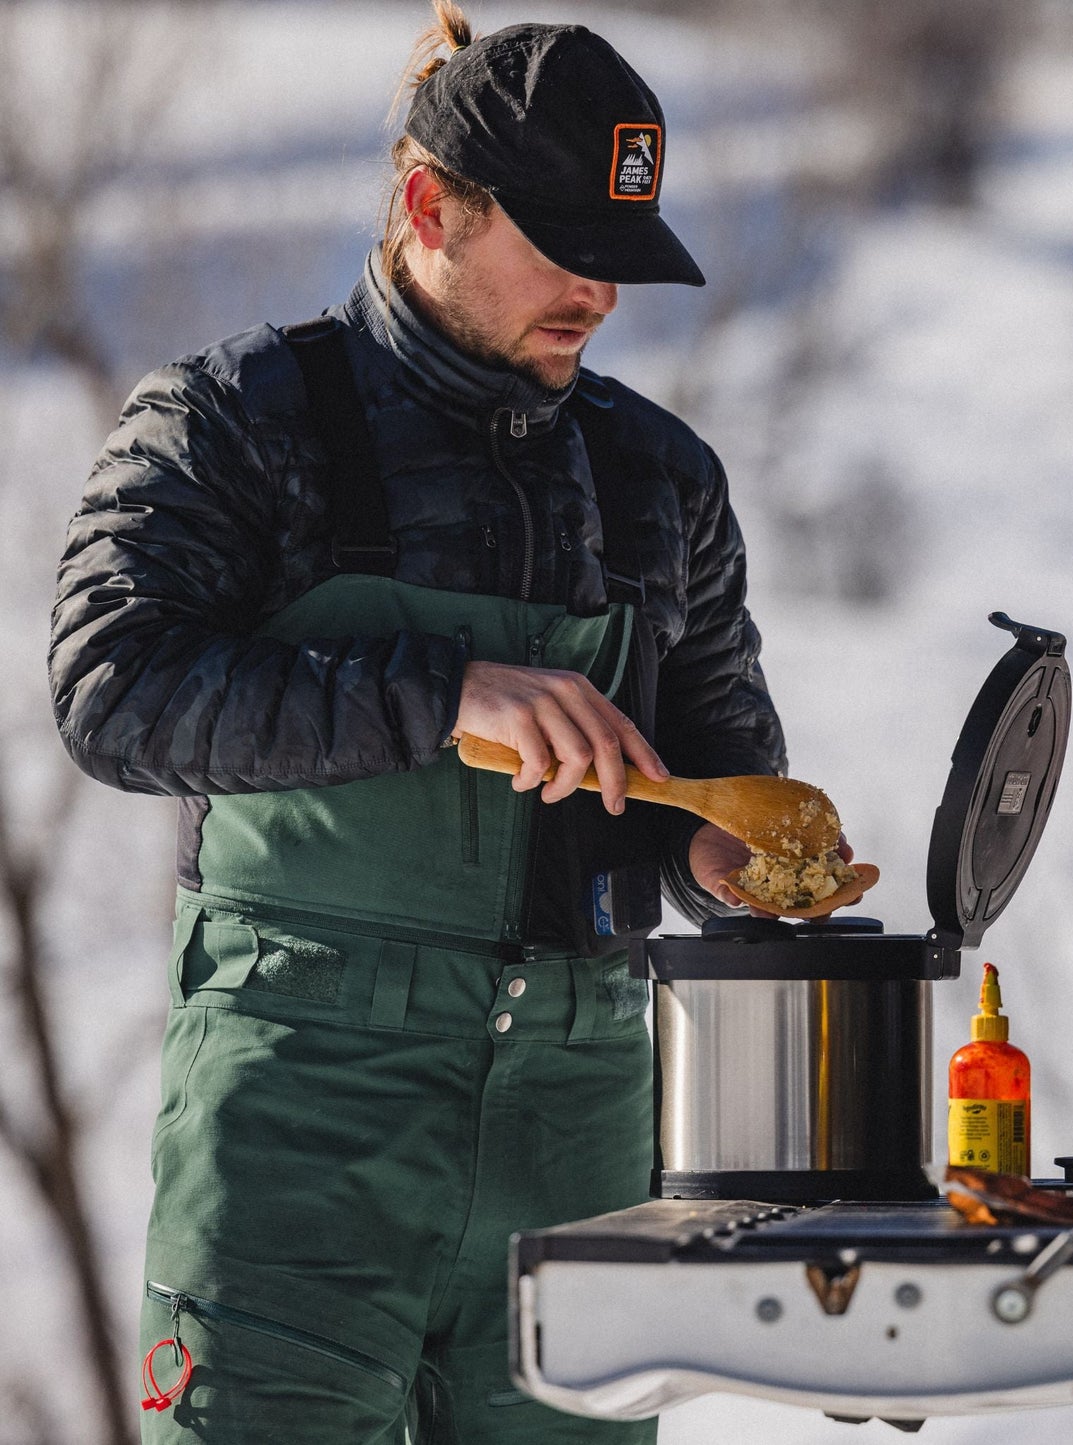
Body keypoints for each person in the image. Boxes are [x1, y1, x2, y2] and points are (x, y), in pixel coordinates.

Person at [48, 7, 813, 1441]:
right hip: (302, 1113)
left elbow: (716, 770)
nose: (596, 290)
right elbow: (111, 688)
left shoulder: (662, 478)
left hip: (580, 1117)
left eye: (621, 258)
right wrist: (439, 694)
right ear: (426, 207)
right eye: (562, 246)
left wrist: (733, 854)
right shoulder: (235, 421)